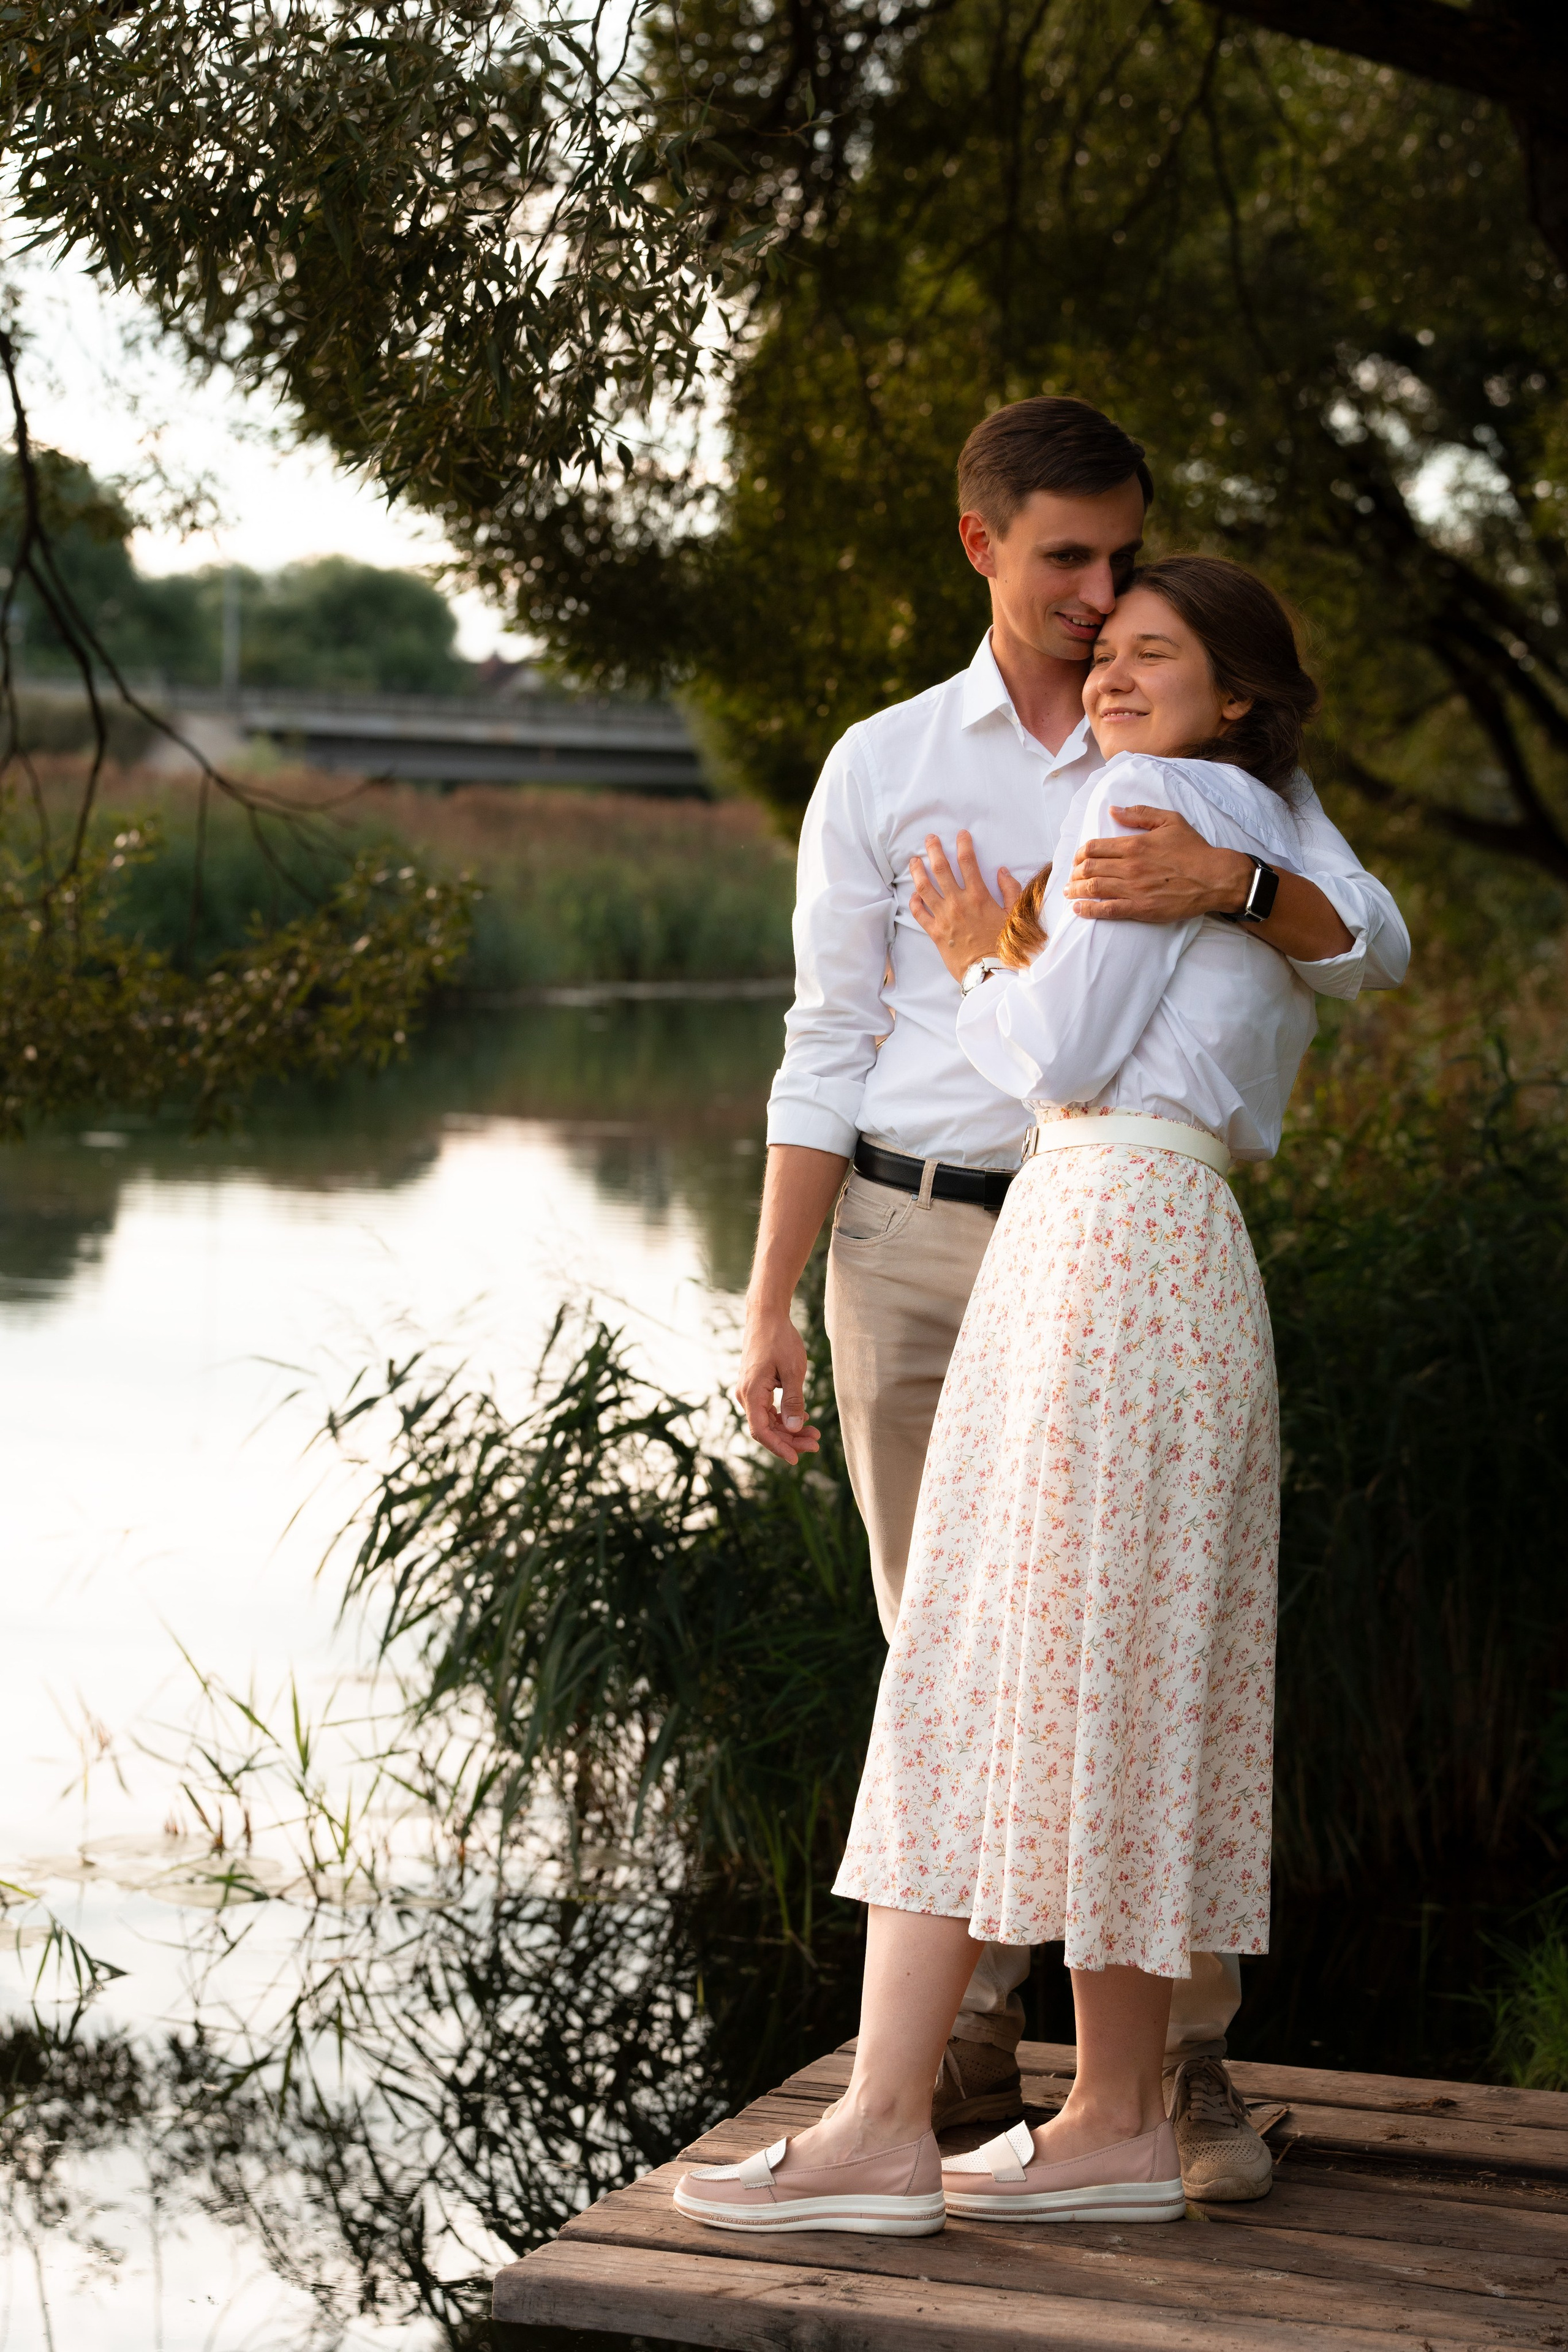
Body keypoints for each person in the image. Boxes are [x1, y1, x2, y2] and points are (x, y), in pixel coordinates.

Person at [733, 397, 1409, 2203]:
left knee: (1049, 1657)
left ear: (1220, 678)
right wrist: (772, 1296)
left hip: (1095, 1238)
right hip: (947, 1239)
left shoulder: (1174, 773)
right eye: (1078, 579)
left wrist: (1178, 897)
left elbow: (1314, 958)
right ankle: (990, 2070)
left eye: (1135, 589)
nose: (1103, 614)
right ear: (986, 546)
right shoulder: (892, 761)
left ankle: (1135, 2086)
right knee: (981, 1652)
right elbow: (825, 1045)